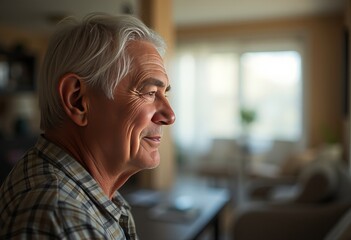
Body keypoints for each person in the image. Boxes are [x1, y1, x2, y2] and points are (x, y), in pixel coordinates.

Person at [0, 13, 175, 239]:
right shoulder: (59, 218)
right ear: (78, 100)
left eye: (165, 94)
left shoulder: (81, 195)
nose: (169, 116)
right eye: (150, 93)